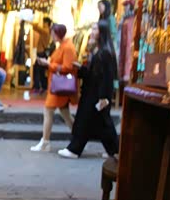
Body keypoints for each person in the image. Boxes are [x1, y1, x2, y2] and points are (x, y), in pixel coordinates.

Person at [58, 20, 120, 159]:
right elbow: (94, 74)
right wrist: (81, 69)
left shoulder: (104, 53)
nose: (92, 32)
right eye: (92, 29)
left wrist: (103, 97)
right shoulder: (100, 51)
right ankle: (114, 150)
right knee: (102, 124)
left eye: (95, 29)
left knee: (85, 121)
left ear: (102, 32)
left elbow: (105, 78)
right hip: (92, 93)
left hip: (96, 95)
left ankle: (75, 149)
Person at [30, 23, 77, 152]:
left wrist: (49, 64)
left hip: (59, 87)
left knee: (48, 110)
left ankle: (45, 142)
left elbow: (67, 67)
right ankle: (78, 138)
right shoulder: (63, 46)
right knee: (65, 114)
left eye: (53, 34)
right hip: (57, 86)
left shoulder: (67, 47)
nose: (51, 36)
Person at [31, 17, 53, 94]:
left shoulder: (45, 31)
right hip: (42, 52)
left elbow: (35, 27)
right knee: (41, 71)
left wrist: (33, 21)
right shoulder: (47, 31)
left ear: (47, 23)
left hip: (41, 53)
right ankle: (43, 87)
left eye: (44, 22)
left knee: (37, 70)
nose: (43, 24)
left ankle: (38, 87)